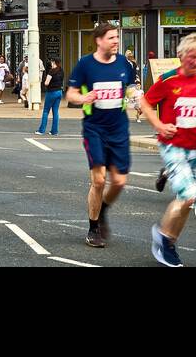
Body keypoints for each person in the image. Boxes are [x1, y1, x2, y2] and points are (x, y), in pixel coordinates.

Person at [140, 32, 196, 267]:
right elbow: (145, 102)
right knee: (188, 196)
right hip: (172, 145)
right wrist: (158, 125)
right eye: (192, 57)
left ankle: (170, 242)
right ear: (180, 56)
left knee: (190, 200)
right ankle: (163, 237)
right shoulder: (168, 81)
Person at [67, 22, 136, 249]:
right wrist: (83, 99)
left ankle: (104, 208)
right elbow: (71, 93)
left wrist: (137, 98)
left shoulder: (124, 63)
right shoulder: (86, 64)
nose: (116, 41)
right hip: (94, 128)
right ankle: (93, 227)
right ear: (99, 40)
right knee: (98, 180)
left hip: (118, 129)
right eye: (111, 38)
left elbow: (131, 88)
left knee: (119, 181)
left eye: (117, 37)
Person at [36, 57, 64, 136]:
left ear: (54, 62)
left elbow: (46, 83)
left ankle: (41, 130)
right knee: (55, 111)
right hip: (59, 92)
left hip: (51, 92)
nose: (51, 63)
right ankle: (54, 131)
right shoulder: (61, 70)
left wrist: (45, 82)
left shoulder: (51, 71)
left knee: (46, 111)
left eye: (51, 62)